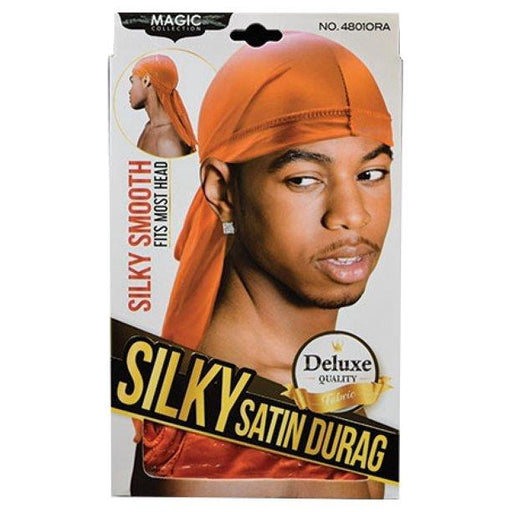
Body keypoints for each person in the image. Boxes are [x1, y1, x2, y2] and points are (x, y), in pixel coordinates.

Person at [131, 31, 394, 498]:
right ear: (222, 191)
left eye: (370, 173)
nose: (353, 215)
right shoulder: (217, 435)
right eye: (303, 179)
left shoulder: (316, 384)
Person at [129, 54, 197, 158]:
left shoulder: (167, 143)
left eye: (132, 82)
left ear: (146, 80)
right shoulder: (149, 128)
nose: (129, 91)